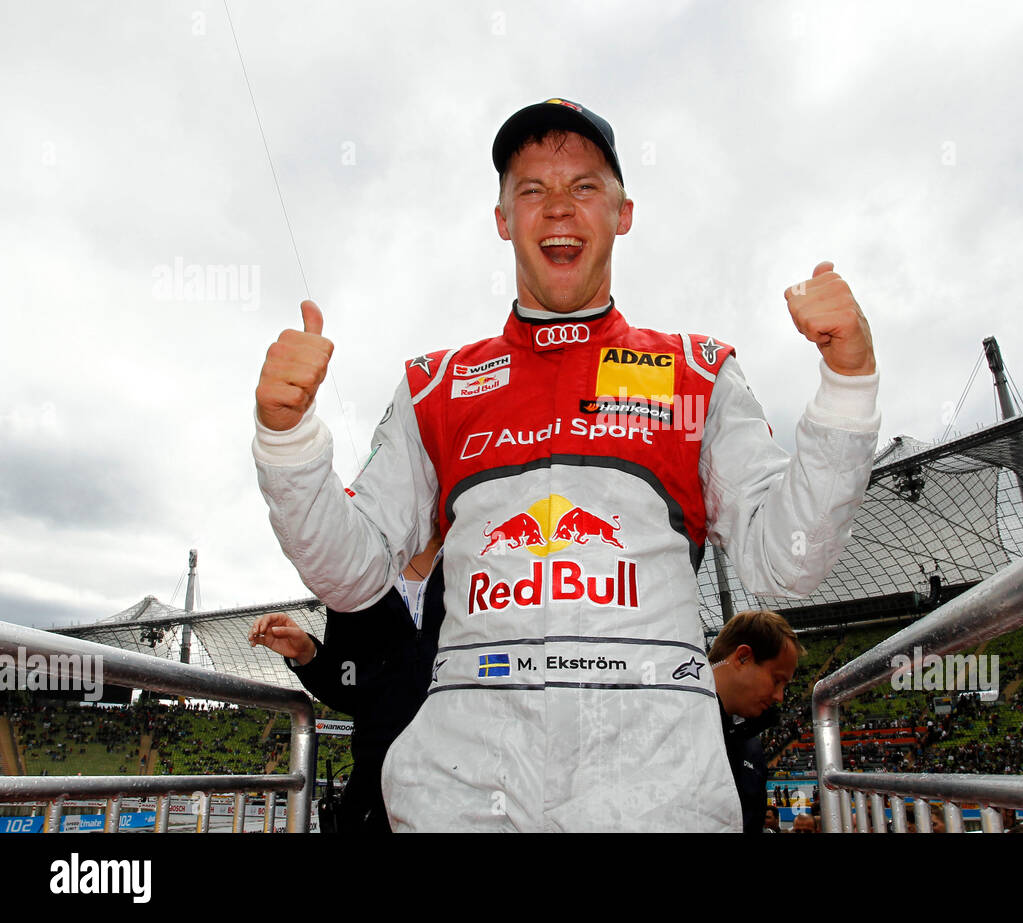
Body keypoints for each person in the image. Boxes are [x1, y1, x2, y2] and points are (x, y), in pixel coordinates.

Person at [252, 97, 881, 831]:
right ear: (502, 220)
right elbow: (350, 573)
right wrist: (287, 438)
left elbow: (787, 563)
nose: (558, 209)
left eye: (584, 187)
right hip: (459, 799)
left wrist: (847, 386)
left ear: (623, 213)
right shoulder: (438, 384)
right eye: (532, 190)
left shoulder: (696, 371)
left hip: (657, 799)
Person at [248, 537, 446, 832]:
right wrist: (307, 654)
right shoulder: (355, 576)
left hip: (462, 791)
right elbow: (349, 689)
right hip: (374, 796)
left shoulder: (476, 561)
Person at [709, 610, 801, 834]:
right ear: (742, 657)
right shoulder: (674, 718)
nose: (779, 696)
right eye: (776, 680)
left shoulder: (752, 746)